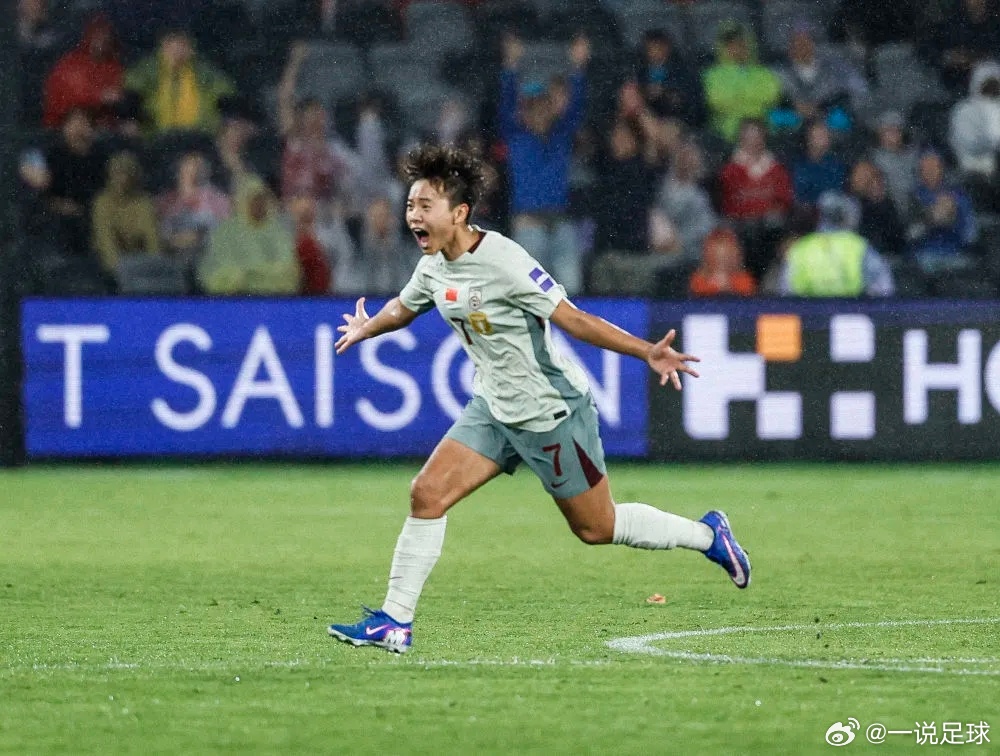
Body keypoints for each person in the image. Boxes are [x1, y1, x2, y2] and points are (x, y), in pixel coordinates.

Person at [326, 144, 751, 654]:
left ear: (459, 213)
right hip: (493, 408)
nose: (413, 215)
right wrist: (369, 327)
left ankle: (708, 535)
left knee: (596, 527)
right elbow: (405, 305)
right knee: (427, 493)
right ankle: (395, 621)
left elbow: (573, 318)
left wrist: (646, 352)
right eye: (411, 205)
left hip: (550, 412)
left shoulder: (504, 260)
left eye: (425, 206)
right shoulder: (434, 264)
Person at [779, 191, 895, 297]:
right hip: (851, 309)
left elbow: (785, 292)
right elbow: (884, 288)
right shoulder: (858, 246)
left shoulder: (801, 248)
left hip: (808, 311)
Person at [42, 14, 124, 130]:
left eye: (105, 34)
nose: (102, 39)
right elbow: (66, 99)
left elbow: (118, 96)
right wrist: (99, 96)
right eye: (97, 34)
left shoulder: (113, 66)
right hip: (64, 127)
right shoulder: (71, 63)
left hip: (102, 127)